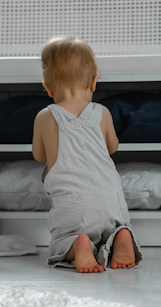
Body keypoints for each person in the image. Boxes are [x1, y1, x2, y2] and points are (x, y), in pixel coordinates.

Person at [32, 35, 142, 273]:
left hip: (73, 204)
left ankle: (78, 243)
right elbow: (113, 147)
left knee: (63, 238)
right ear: (93, 82)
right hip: (110, 199)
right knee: (115, 226)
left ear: (48, 87)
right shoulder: (102, 113)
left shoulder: (45, 116)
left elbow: (39, 156)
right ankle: (121, 234)